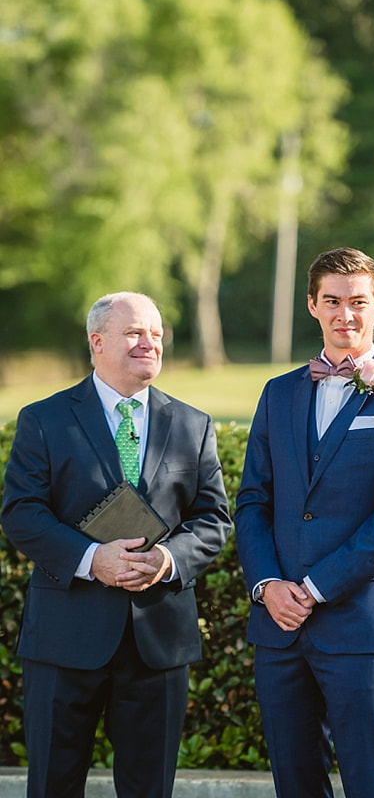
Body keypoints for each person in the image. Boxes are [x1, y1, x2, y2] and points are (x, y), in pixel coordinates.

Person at [0, 292, 231, 797]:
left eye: (156, 333)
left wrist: (168, 559)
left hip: (159, 642)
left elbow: (214, 519)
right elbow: (21, 512)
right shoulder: (45, 419)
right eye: (134, 333)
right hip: (65, 638)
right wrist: (92, 560)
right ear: (97, 342)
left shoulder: (193, 424)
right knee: (52, 786)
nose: (149, 342)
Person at [235, 247, 374, 797]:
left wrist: (313, 586)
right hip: (278, 626)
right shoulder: (278, 394)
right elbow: (253, 501)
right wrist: (266, 585)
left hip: (359, 624)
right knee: (294, 782)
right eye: (331, 301)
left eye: (356, 302)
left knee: (369, 780)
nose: (344, 314)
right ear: (312, 305)